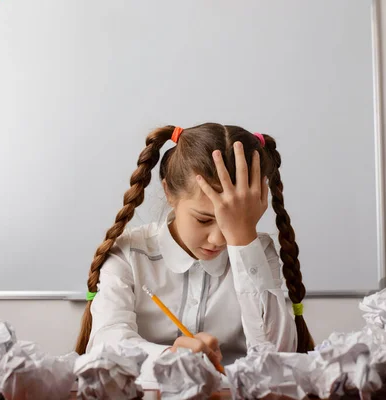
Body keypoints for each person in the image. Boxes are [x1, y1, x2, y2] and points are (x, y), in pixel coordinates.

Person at [75, 123, 314, 378]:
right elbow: (104, 345)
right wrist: (170, 359)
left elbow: (278, 360)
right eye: (203, 219)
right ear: (168, 192)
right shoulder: (129, 255)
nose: (218, 239)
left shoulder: (257, 252)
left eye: (230, 222)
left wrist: (244, 238)